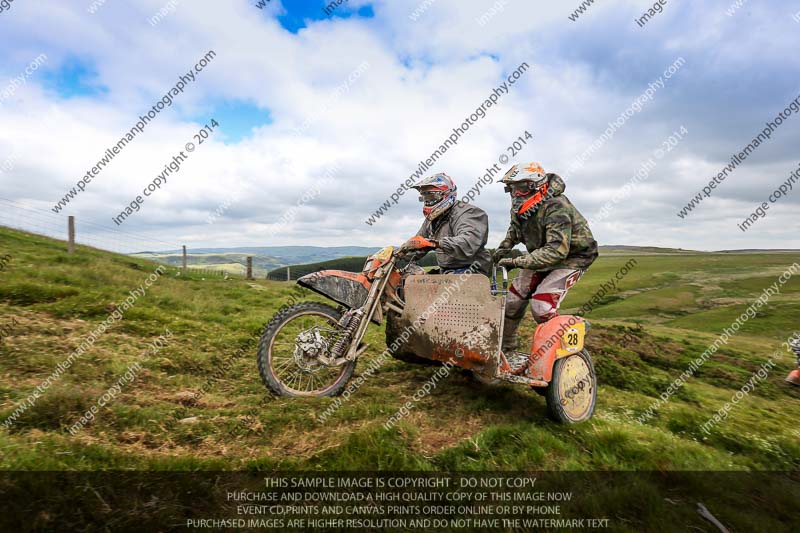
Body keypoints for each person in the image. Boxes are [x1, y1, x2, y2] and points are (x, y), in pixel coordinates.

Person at [493, 162, 598, 352]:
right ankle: (505, 347)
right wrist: (504, 247)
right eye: (511, 188)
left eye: (521, 187)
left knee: (541, 306)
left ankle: (563, 344)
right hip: (542, 253)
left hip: (573, 257)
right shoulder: (519, 207)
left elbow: (557, 250)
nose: (516, 194)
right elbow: (515, 229)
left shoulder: (557, 206)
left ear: (537, 186)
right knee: (512, 301)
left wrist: (516, 261)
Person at [399, 173, 492, 275]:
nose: (428, 200)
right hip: (447, 271)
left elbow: (468, 243)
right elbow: (418, 242)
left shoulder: (468, 212)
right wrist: (398, 254)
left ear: (447, 194)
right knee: (408, 278)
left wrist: (436, 243)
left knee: (437, 284)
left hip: (472, 270)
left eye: (432, 196)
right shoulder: (431, 219)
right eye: (425, 196)